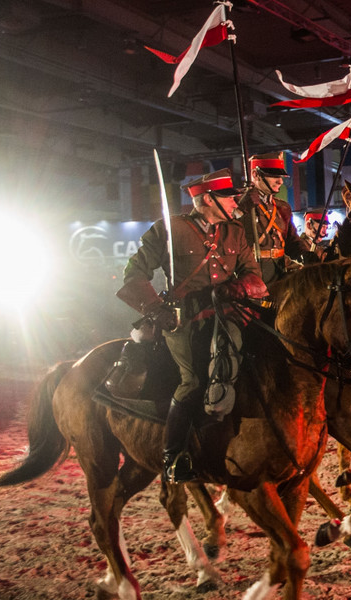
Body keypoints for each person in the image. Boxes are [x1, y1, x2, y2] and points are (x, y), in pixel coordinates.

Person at [116, 168, 266, 484]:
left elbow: (254, 277)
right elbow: (134, 274)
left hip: (228, 315)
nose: (235, 201)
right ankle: (174, 456)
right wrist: (157, 310)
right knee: (194, 379)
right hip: (184, 320)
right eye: (228, 196)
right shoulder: (170, 230)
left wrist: (239, 288)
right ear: (208, 199)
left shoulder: (235, 232)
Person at [238, 151, 303, 284]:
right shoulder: (239, 203)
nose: (280, 181)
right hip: (255, 271)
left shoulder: (282, 207)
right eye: (274, 176)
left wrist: (307, 254)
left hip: (280, 268)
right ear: (256, 175)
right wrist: (242, 207)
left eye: (281, 176)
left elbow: (292, 241)